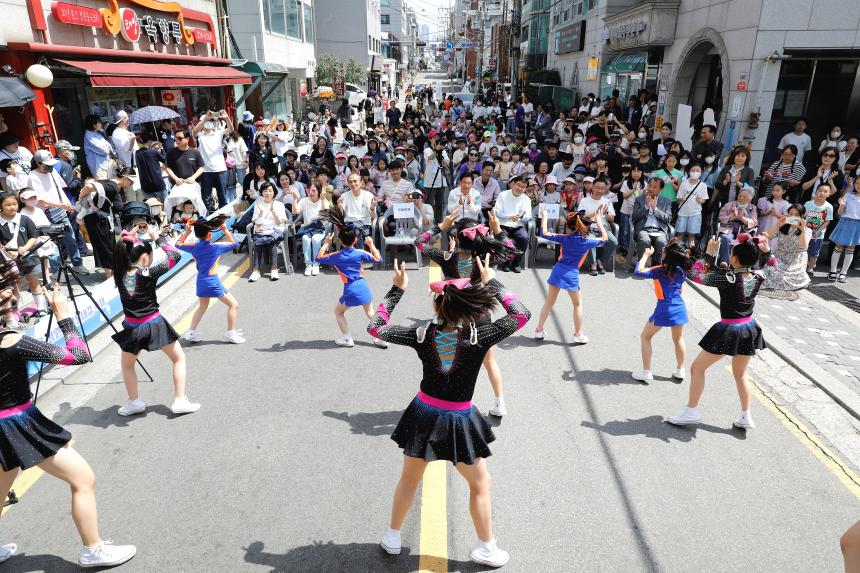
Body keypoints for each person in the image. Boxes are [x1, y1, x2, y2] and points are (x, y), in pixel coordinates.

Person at [370, 256, 529, 568]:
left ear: (437, 306)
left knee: (408, 480)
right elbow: (521, 315)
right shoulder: (481, 335)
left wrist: (396, 291)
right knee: (480, 485)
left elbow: (375, 327)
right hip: (458, 419)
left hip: (423, 413)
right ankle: (485, 547)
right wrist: (493, 282)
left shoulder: (422, 334)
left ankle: (392, 537)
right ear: (470, 307)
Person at [0, 280, 137, 568]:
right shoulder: (14, 342)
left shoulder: (14, 336)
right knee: (83, 480)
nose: (13, 293)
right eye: (5, 291)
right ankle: (93, 550)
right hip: (18, 425)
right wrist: (63, 316)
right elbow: (79, 355)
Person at [667, 235, 775, 429]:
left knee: (697, 368)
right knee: (741, 374)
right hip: (749, 328)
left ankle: (691, 411)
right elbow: (774, 269)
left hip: (730, 329)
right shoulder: (759, 276)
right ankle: (746, 415)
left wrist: (709, 253)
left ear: (734, 259)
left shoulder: (728, 278)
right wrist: (768, 252)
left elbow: (695, 274)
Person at [111, 224, 200, 416]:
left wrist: (127, 241)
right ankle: (180, 400)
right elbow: (174, 255)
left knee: (127, 365)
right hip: (154, 324)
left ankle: (134, 402)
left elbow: (120, 254)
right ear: (144, 258)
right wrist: (157, 237)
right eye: (149, 255)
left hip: (132, 328)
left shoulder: (118, 274)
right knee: (178, 358)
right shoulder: (148, 273)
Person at [533, 208, 607, 344]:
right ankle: (578, 334)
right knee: (577, 305)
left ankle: (539, 330)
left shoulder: (564, 239)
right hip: (572, 273)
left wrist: (544, 216)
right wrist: (599, 221)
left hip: (558, 270)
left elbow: (543, 233)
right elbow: (605, 238)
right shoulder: (587, 241)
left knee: (549, 302)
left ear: (569, 226)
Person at [315, 205, 385, 348]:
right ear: (355, 240)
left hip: (350, 289)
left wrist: (326, 244)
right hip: (363, 286)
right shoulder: (360, 253)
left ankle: (347, 338)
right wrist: (371, 245)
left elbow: (319, 257)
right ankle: (382, 337)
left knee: (338, 312)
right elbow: (378, 259)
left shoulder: (336, 256)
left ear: (340, 241)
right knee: (371, 312)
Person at [631, 241, 694, 382]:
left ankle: (646, 372)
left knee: (645, 337)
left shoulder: (660, 270)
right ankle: (680, 370)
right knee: (678, 339)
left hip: (664, 308)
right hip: (680, 307)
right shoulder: (682, 270)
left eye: (664, 249)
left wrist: (645, 255)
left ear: (667, 255)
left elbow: (638, 272)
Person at [177, 220, 244, 343]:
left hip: (200, 281)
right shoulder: (216, 247)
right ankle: (230, 332)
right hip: (212, 282)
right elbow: (234, 244)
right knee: (234, 305)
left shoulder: (194, 247)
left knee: (202, 306)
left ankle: (191, 332)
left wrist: (186, 232)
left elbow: (178, 244)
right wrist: (225, 229)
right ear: (210, 235)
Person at [29, 149, 90, 275]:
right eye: (47, 165)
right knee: (53, 243)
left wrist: (67, 205)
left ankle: (77, 263)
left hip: (61, 209)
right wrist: (61, 205)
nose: (50, 167)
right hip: (46, 213)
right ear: (39, 163)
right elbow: (40, 199)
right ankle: (57, 271)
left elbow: (60, 189)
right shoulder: (32, 176)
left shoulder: (52, 172)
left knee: (70, 238)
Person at [76, 168, 132, 278]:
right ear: (125, 178)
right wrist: (80, 197)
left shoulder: (114, 185)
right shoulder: (111, 186)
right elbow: (88, 187)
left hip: (102, 218)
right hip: (96, 219)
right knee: (104, 247)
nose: (131, 184)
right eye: (131, 181)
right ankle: (110, 277)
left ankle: (114, 273)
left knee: (110, 246)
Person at [0, 192, 46, 317]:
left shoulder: (24, 219)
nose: (12, 207)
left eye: (14, 204)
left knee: (33, 282)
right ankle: (15, 312)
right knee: (14, 287)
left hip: (28, 257)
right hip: (8, 260)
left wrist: (26, 247)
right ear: (1, 206)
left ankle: (41, 307)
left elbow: (33, 237)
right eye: (7, 205)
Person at [761, 204, 810, 291]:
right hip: (780, 257)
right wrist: (778, 224)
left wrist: (802, 230)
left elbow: (803, 247)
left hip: (795, 260)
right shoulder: (783, 226)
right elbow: (768, 235)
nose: (793, 216)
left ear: (803, 216)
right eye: (791, 214)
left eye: (796, 215)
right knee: (768, 271)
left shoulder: (807, 230)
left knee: (783, 277)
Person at [246, 181, 287, 282]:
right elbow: (256, 222)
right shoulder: (258, 204)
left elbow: (279, 223)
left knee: (271, 239)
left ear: (274, 192)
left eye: (270, 191)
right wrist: (261, 215)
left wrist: (273, 212)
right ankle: (256, 271)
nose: (267, 193)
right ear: (262, 193)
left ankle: (274, 268)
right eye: (265, 191)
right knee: (258, 241)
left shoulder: (279, 205)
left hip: (275, 231)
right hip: (262, 231)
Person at [193, 109, 233, 212]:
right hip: (206, 171)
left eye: (211, 121)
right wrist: (205, 118)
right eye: (208, 121)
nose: (210, 122)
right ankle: (207, 219)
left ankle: (223, 218)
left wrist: (226, 117)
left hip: (220, 170)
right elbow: (194, 132)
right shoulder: (200, 136)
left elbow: (231, 130)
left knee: (223, 197)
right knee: (206, 198)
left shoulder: (218, 133)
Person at [289, 181, 331, 276]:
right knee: (305, 239)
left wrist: (323, 199)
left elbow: (326, 215)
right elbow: (295, 211)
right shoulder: (304, 200)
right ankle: (308, 265)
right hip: (308, 228)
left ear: (319, 191)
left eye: (313, 190)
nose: (310, 193)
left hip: (321, 227)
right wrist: (295, 198)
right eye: (308, 190)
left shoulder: (323, 200)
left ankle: (316, 264)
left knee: (316, 239)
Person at [577, 177, 617, 275]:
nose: (599, 190)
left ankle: (600, 261)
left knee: (613, 242)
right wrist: (596, 212)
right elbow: (581, 217)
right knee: (591, 240)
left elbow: (611, 218)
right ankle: (592, 264)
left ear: (605, 189)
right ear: (592, 188)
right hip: (589, 227)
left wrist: (607, 214)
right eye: (597, 187)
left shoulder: (607, 201)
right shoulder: (584, 201)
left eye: (602, 188)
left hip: (603, 228)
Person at [493, 175, 531, 273]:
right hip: (503, 224)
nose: (520, 188)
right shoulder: (503, 195)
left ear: (525, 188)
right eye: (518, 185)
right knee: (505, 238)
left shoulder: (526, 199)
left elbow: (528, 217)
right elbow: (497, 212)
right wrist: (510, 217)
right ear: (513, 184)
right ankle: (506, 262)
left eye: (523, 187)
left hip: (518, 226)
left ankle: (516, 263)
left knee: (524, 238)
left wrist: (521, 217)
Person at [827, 177, 860, 282]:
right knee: (838, 247)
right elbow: (840, 213)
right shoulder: (848, 196)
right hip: (845, 222)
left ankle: (843, 273)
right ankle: (832, 271)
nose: (858, 185)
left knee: (851, 249)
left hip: (857, 225)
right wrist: (841, 205)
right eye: (857, 183)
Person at [632, 178, 672, 264]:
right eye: (650, 186)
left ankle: (655, 266)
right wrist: (646, 206)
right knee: (644, 240)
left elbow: (668, 218)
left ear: (660, 189)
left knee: (661, 242)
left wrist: (655, 209)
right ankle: (641, 264)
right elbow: (634, 217)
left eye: (654, 187)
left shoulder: (666, 202)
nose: (651, 189)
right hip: (644, 229)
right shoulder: (639, 199)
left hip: (660, 230)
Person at [674, 163, 709, 245]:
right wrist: (681, 198)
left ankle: (690, 253)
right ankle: (677, 251)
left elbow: (704, 199)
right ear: (689, 171)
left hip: (695, 213)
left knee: (692, 235)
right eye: (693, 170)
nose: (695, 172)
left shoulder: (703, 185)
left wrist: (700, 200)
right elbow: (678, 198)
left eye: (698, 171)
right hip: (683, 212)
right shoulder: (684, 183)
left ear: (701, 172)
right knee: (680, 233)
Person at [804, 183, 835, 275]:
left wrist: (818, 231)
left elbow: (827, 221)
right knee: (803, 250)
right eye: (820, 190)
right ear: (816, 192)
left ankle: (810, 269)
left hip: (818, 235)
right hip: (805, 232)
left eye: (825, 191)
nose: (822, 193)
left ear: (829, 194)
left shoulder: (828, 207)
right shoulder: (808, 204)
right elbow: (802, 217)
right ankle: (803, 266)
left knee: (814, 252)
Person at [134, 132, 167, 202]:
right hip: (157, 183)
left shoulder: (137, 153)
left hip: (145, 185)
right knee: (166, 204)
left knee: (152, 207)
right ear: (149, 142)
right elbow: (165, 159)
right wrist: (162, 149)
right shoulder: (153, 152)